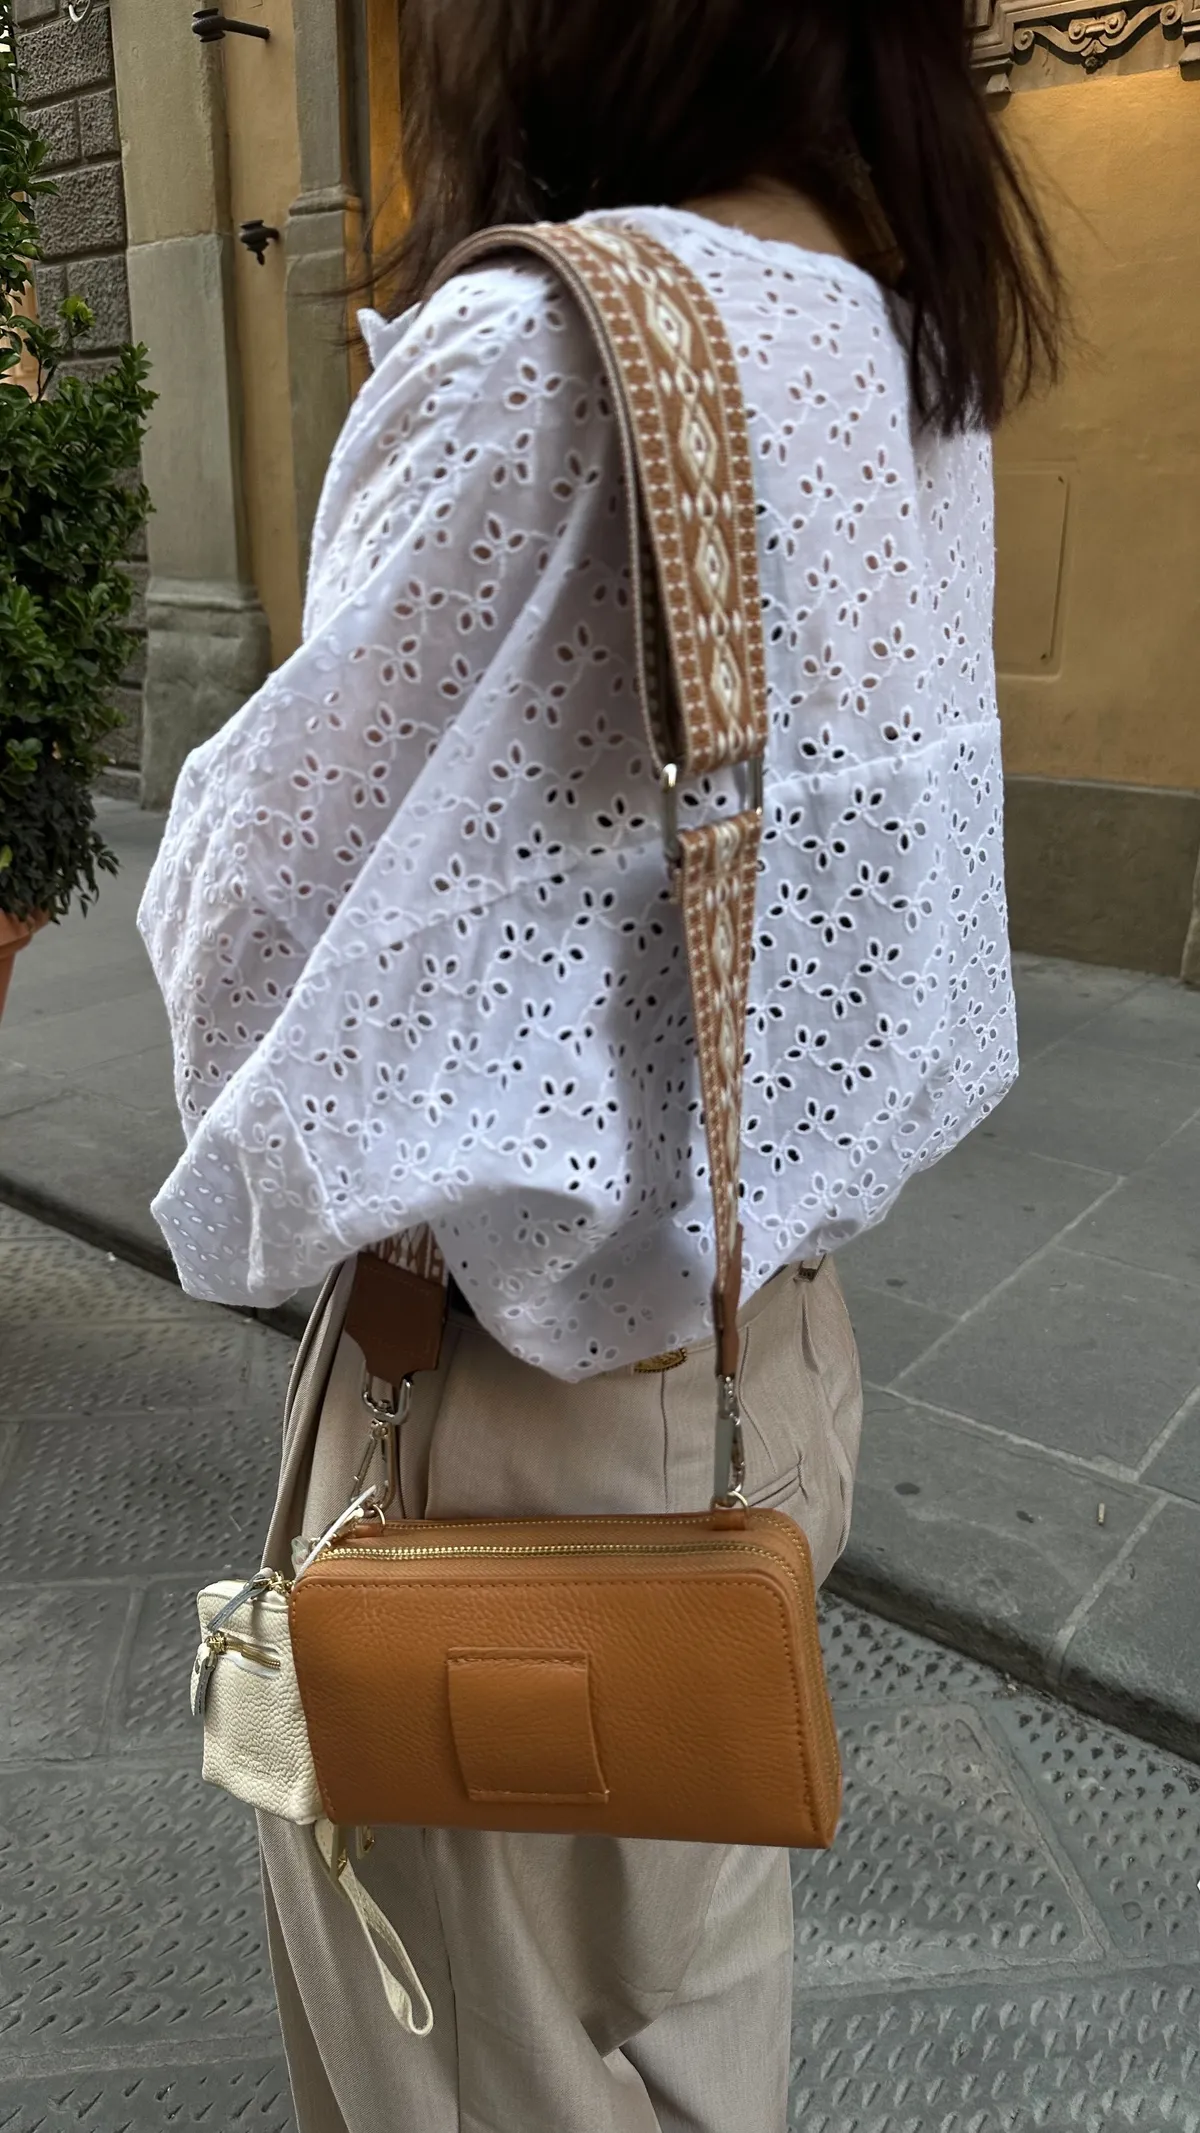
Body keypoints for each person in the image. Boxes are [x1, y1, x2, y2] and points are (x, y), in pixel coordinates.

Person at [139, 2, 1064, 2126]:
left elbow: (253, 955)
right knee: (674, 2032)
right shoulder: (901, 344)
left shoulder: (536, 349)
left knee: (464, 2058)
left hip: (508, 1413)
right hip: (766, 1367)